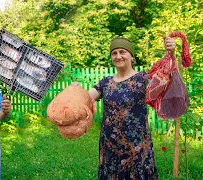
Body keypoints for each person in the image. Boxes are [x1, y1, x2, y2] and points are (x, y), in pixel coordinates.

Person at [73, 36, 175, 179]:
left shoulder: (143, 79)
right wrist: (75, 90)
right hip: (110, 148)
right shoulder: (106, 83)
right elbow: (86, 98)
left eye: (122, 52)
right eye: (114, 53)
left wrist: (171, 53)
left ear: (131, 56)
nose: (118, 56)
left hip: (136, 150)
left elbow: (169, 82)